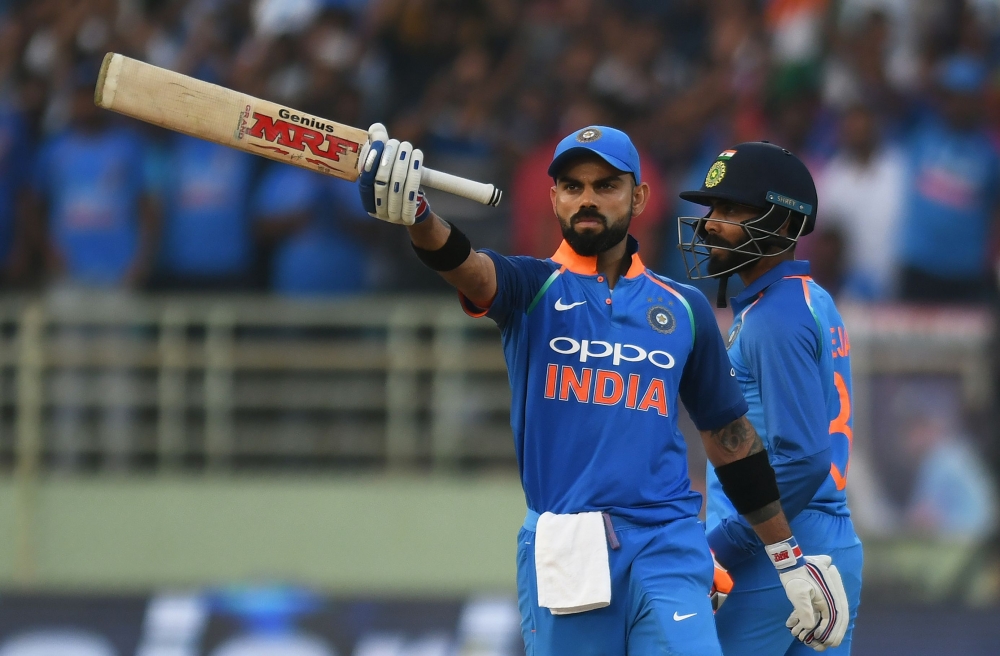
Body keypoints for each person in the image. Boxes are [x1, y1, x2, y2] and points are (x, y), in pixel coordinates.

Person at [358, 124, 849, 655]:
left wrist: (787, 558)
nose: (587, 198)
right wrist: (419, 216)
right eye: (573, 186)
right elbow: (467, 267)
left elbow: (732, 442)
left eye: (606, 185)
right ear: (554, 198)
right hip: (570, 546)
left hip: (669, 543)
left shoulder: (685, 307)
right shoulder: (532, 287)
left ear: (638, 197)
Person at [677, 141, 864, 654]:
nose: (710, 224)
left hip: (772, 551)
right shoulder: (811, 299)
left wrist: (723, 546)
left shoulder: (773, 319)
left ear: (783, 223)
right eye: (712, 208)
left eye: (730, 209)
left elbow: (802, 459)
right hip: (827, 541)